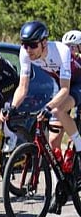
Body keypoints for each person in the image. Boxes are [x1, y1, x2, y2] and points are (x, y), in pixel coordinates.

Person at [7, 21, 81, 159]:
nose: (28, 50)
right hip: (61, 84)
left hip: (76, 83)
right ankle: (58, 178)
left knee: (58, 109)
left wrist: (48, 107)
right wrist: (12, 108)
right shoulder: (25, 53)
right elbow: (23, 87)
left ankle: (79, 147)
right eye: (25, 44)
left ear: (44, 42)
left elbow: (66, 89)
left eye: (33, 45)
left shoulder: (61, 51)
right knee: (53, 142)